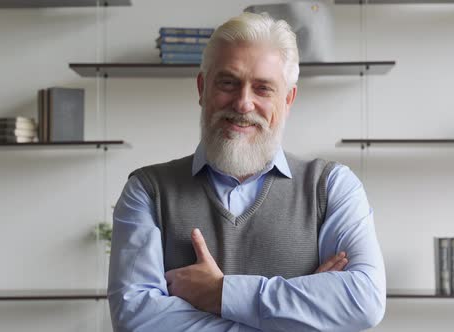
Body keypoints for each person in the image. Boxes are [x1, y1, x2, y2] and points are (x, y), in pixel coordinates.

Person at [108, 12, 386, 332]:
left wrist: (220, 293)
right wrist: (301, 313)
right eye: (228, 82)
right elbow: (135, 320)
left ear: (288, 98)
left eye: (263, 88)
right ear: (202, 88)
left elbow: (365, 301)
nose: (243, 103)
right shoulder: (148, 190)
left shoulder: (333, 187)